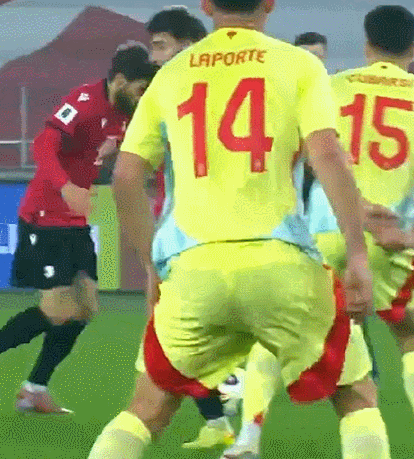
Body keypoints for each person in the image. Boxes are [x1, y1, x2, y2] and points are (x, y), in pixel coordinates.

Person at [87, 0, 375, 458]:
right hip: (282, 264)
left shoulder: (172, 74)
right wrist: (357, 254)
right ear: (270, 4)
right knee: (356, 396)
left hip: (194, 269)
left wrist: (151, 266)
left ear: (206, 5)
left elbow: (125, 175)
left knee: (147, 409)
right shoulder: (299, 64)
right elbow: (326, 155)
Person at [231, 6, 414, 459]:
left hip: (324, 229)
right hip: (388, 234)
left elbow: (296, 153)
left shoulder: (331, 86)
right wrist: (413, 231)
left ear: (366, 44)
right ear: (413, 48)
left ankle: (248, 438)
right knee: (410, 334)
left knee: (276, 333)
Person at [0, 43, 158, 415]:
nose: (142, 97)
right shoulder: (84, 101)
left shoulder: (125, 113)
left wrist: (109, 155)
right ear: (119, 80)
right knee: (58, 310)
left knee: (86, 307)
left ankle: (34, 390)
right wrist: (66, 187)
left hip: (74, 221)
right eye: (140, 88)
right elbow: (43, 144)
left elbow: (101, 146)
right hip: (44, 216)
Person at [139, 6, 241, 451]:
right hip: (207, 229)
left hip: (197, 235)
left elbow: (129, 173)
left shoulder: (180, 90)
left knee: (169, 344)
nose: (154, 57)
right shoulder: (198, 88)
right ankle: (219, 417)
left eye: (160, 46)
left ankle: (234, 384)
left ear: (188, 45)